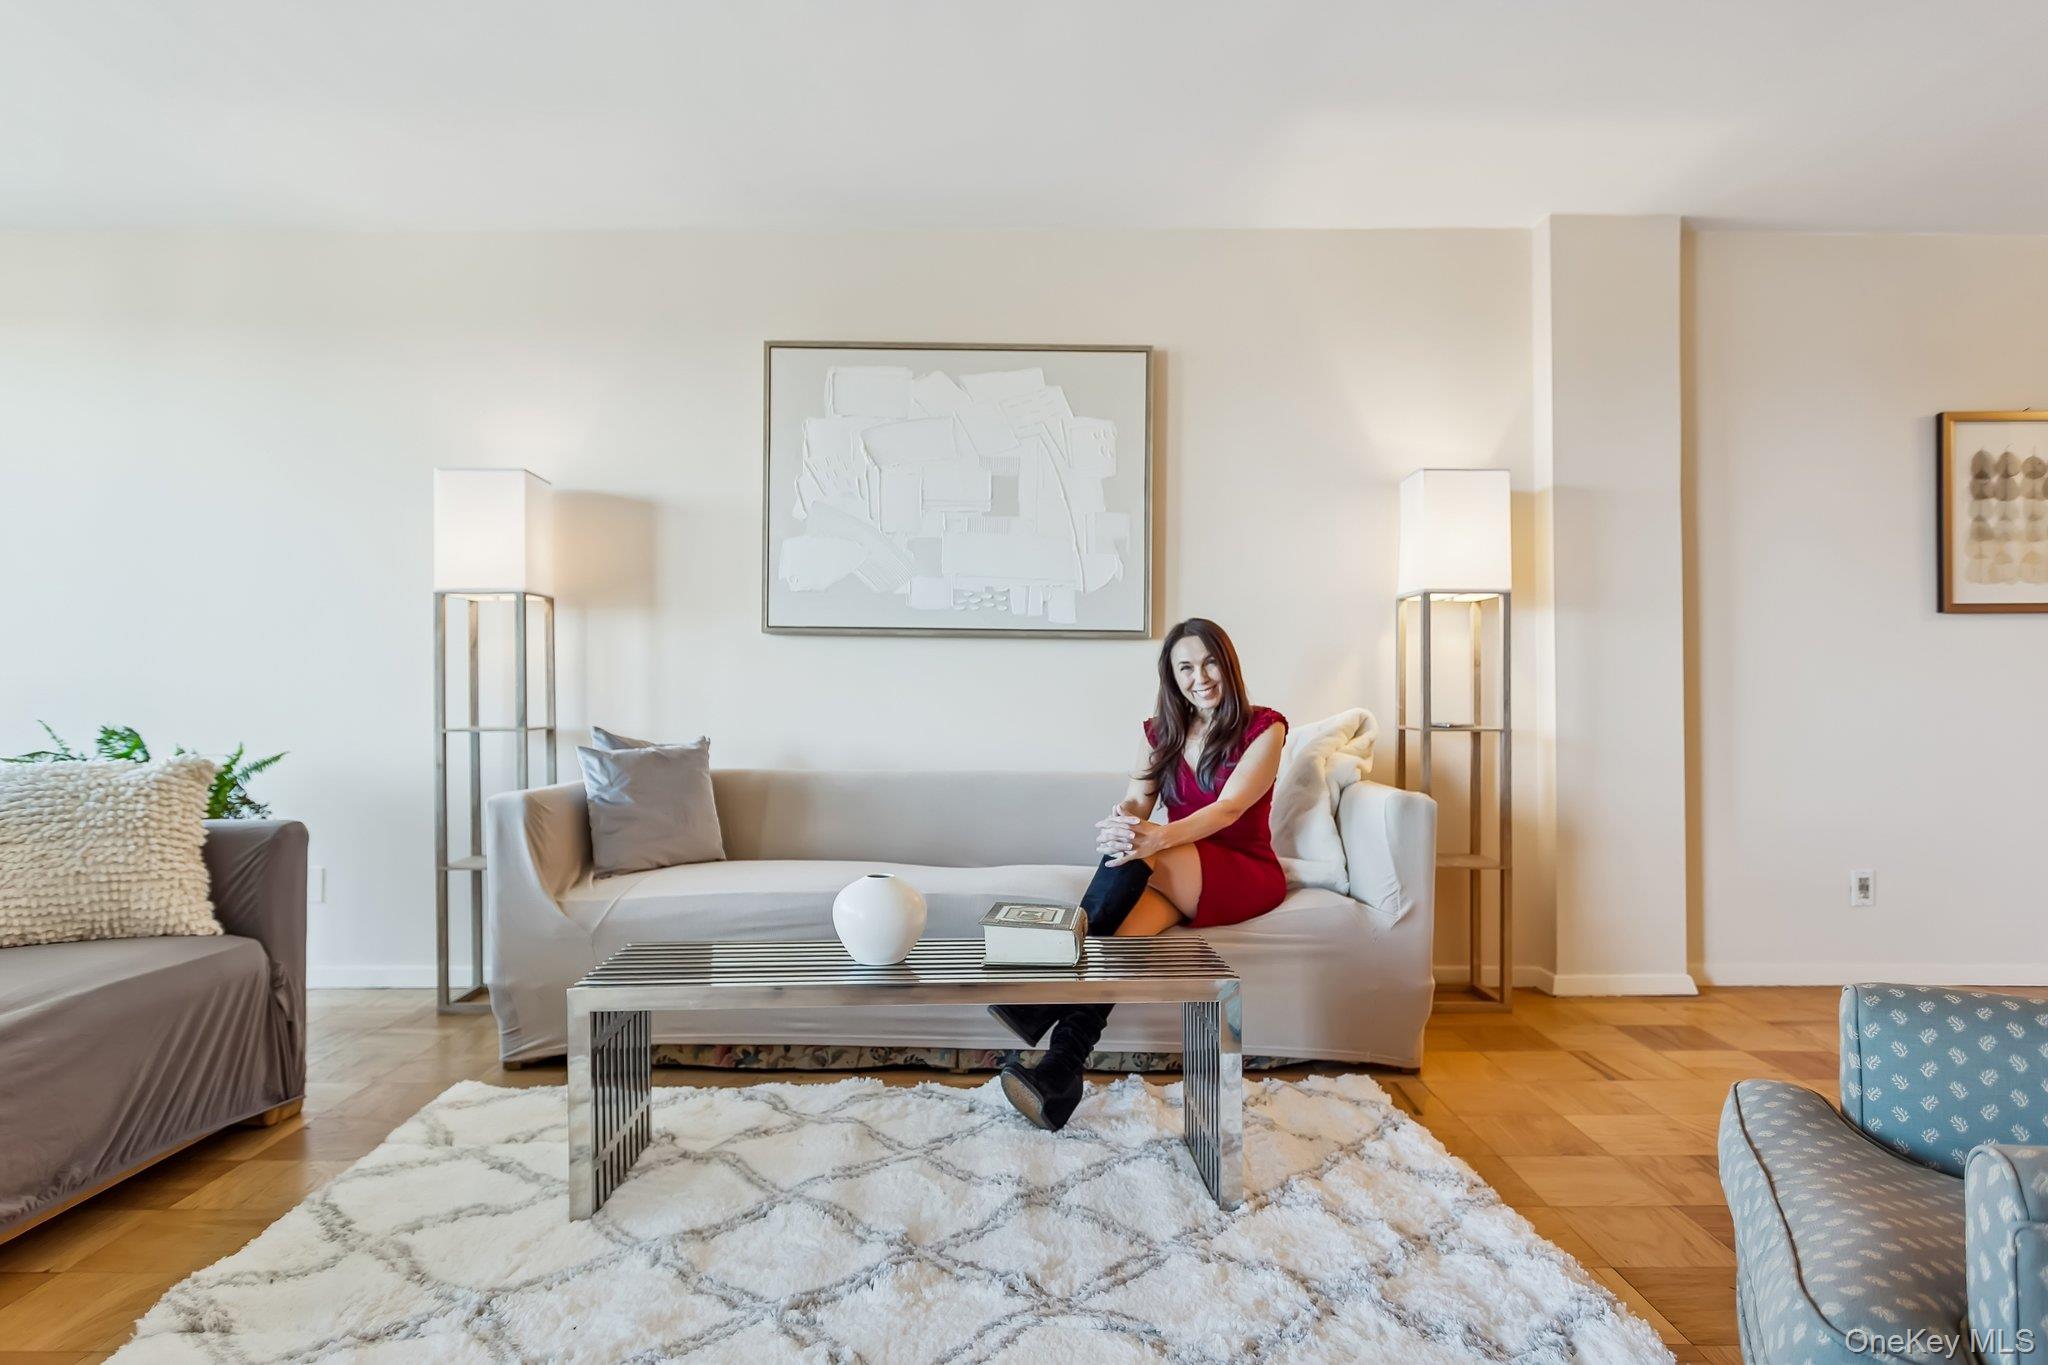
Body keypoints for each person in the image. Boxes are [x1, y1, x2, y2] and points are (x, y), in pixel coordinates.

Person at [993, 617, 1288, 1131]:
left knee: (1142, 850)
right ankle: (1060, 1075)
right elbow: (1138, 798)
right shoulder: (1161, 731)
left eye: (1211, 661)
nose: (1202, 677)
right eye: (1186, 668)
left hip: (1240, 869)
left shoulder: (1265, 728)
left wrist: (1150, 837)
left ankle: (1043, 990)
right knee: (1120, 940)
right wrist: (1122, 822)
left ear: (1230, 663)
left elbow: (1227, 811)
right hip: (1179, 868)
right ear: (1172, 677)